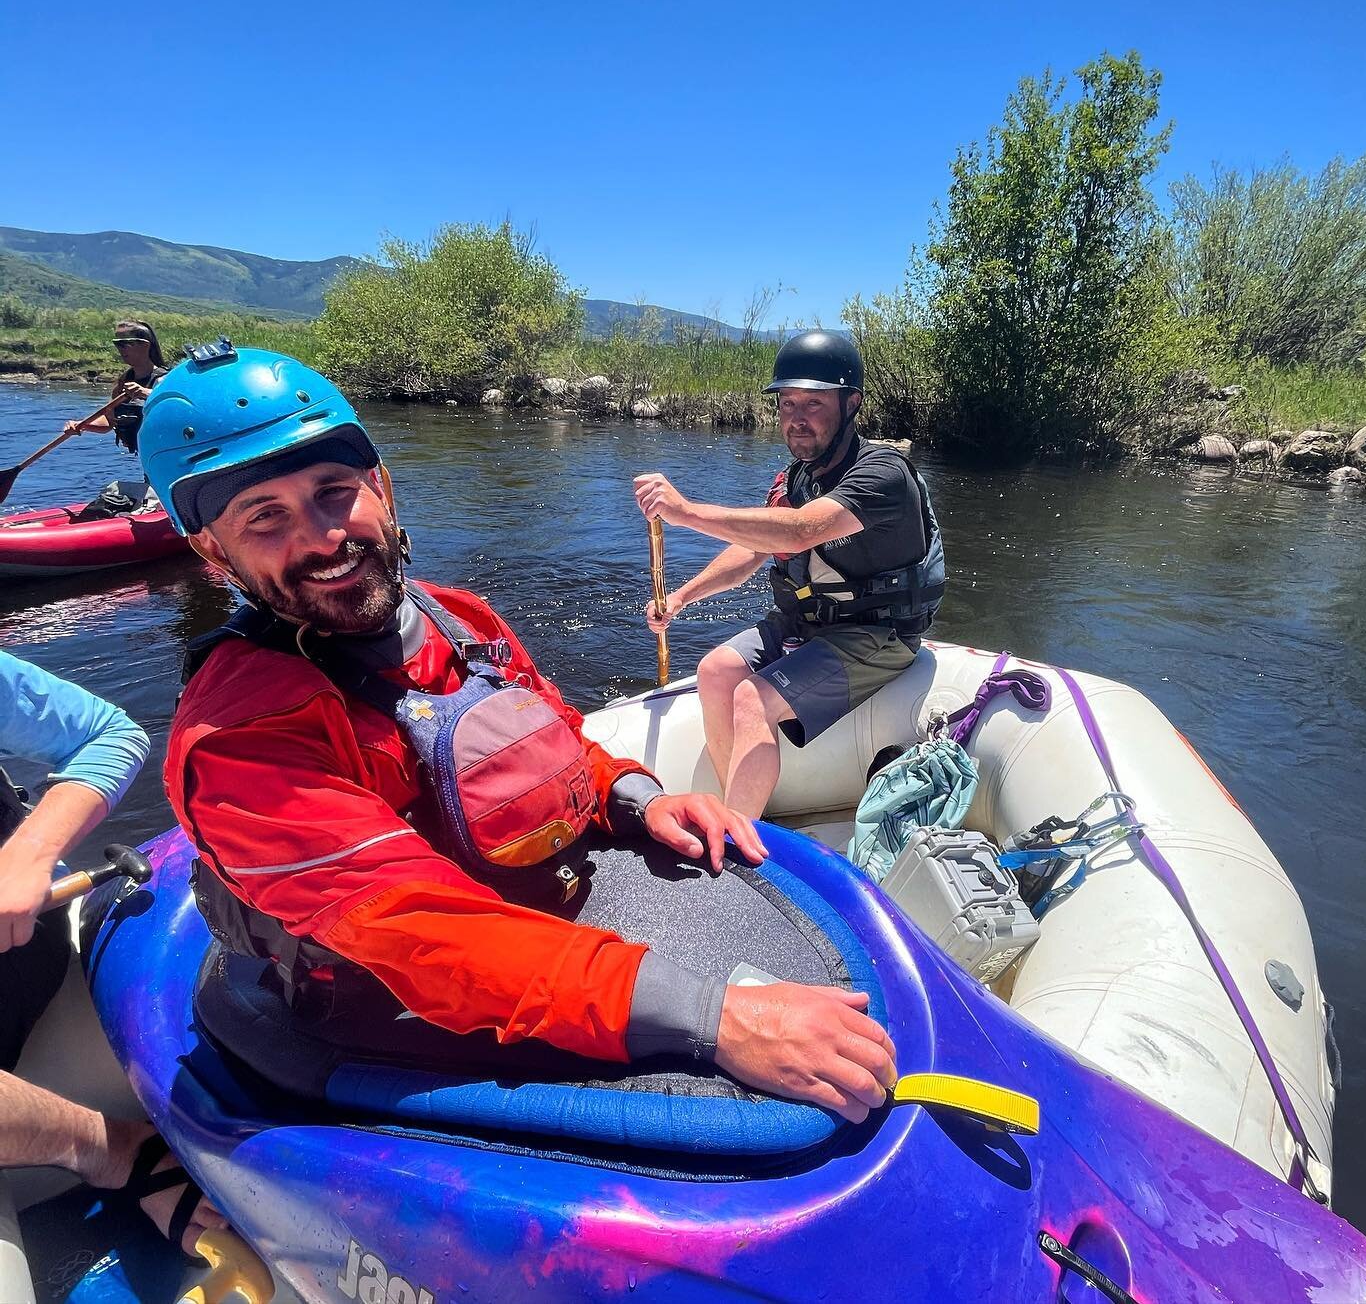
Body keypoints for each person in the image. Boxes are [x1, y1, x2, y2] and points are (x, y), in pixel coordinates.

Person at [139, 340, 896, 1124]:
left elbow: (558, 740)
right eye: (265, 516)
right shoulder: (242, 736)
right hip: (383, 1005)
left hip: (536, 912)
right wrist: (719, 1017)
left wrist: (635, 799)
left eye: (334, 491)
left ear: (382, 488)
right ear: (211, 549)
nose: (324, 537)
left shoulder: (455, 618)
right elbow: (426, 940)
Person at [635, 328, 944, 819]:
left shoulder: (882, 475)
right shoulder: (797, 477)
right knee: (716, 671)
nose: (796, 420)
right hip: (810, 624)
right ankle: (734, 809)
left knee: (753, 700)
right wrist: (681, 597)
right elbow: (755, 547)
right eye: (787, 405)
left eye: (813, 405)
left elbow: (801, 532)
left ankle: (739, 847)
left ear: (851, 404)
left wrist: (687, 511)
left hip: (876, 634)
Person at [0, 651, 224, 1254]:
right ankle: (112, 1148)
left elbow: (110, 734)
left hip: (23, 950)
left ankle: (118, 1147)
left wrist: (26, 856)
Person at [63, 319, 168, 455]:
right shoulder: (123, 382)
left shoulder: (164, 379)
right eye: (117, 344)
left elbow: (176, 406)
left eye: (124, 344)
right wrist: (82, 425)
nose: (120, 349)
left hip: (168, 453)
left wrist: (146, 393)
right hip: (147, 457)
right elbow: (109, 420)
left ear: (145, 345)